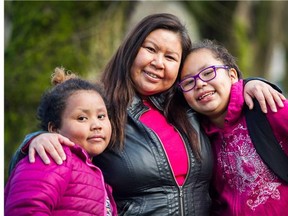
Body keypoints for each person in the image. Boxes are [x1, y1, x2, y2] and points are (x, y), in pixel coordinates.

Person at [8, 14, 285, 215]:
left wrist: (249, 84)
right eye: (150, 49)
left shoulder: (190, 108)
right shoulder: (102, 111)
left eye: (171, 57)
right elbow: (63, 145)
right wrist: (34, 139)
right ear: (131, 50)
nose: (157, 62)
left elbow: (224, 102)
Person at [178, 39, 288, 215]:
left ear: (232, 76)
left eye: (208, 73)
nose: (199, 84)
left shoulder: (268, 106)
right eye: (188, 82)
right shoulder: (198, 141)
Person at [5, 67, 117, 216]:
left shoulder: (93, 171)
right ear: (54, 128)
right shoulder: (52, 156)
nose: (96, 125)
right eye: (82, 118)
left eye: (101, 116)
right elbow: (26, 209)